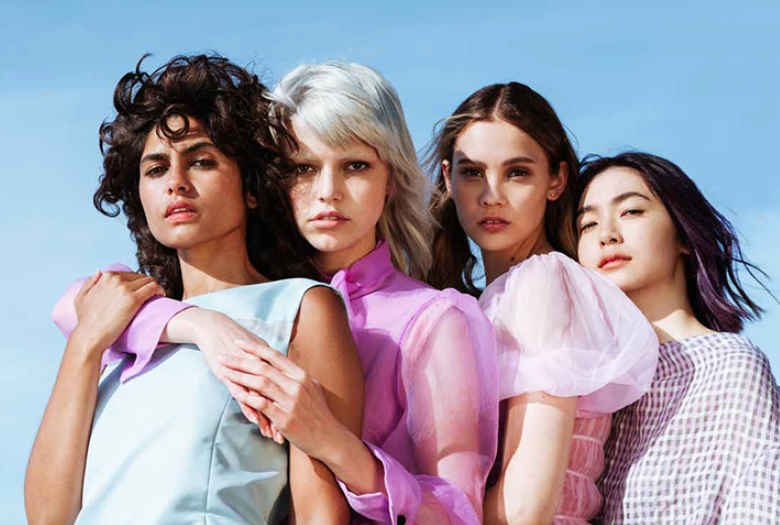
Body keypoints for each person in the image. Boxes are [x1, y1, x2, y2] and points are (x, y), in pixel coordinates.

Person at [81, 62, 499, 525]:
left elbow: (459, 513)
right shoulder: (258, 302)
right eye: (304, 168)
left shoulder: (434, 318)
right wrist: (201, 325)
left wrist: (333, 443)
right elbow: (82, 306)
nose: (328, 192)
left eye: (355, 166)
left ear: (391, 179)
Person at [24, 54, 364, 525]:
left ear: (250, 186)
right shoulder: (119, 327)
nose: (176, 184)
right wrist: (84, 346)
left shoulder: (300, 308)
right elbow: (48, 517)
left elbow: (319, 514)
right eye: (155, 169)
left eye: (201, 161)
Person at [426, 82, 659, 525]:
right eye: (472, 172)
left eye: (517, 172)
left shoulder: (542, 284)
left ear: (556, 181)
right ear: (447, 178)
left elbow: (525, 510)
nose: (491, 195)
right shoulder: (485, 300)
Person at [575, 152, 780, 524]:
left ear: (683, 235)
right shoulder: (586, 382)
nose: (607, 235)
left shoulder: (730, 364)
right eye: (588, 224)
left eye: (631, 211)